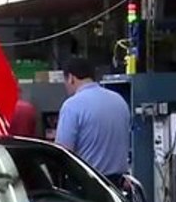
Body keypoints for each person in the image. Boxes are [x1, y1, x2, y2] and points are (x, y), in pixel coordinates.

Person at [54, 57, 132, 186]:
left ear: (71, 78)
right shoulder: (119, 101)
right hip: (117, 185)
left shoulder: (72, 105)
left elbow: (63, 152)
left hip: (87, 186)